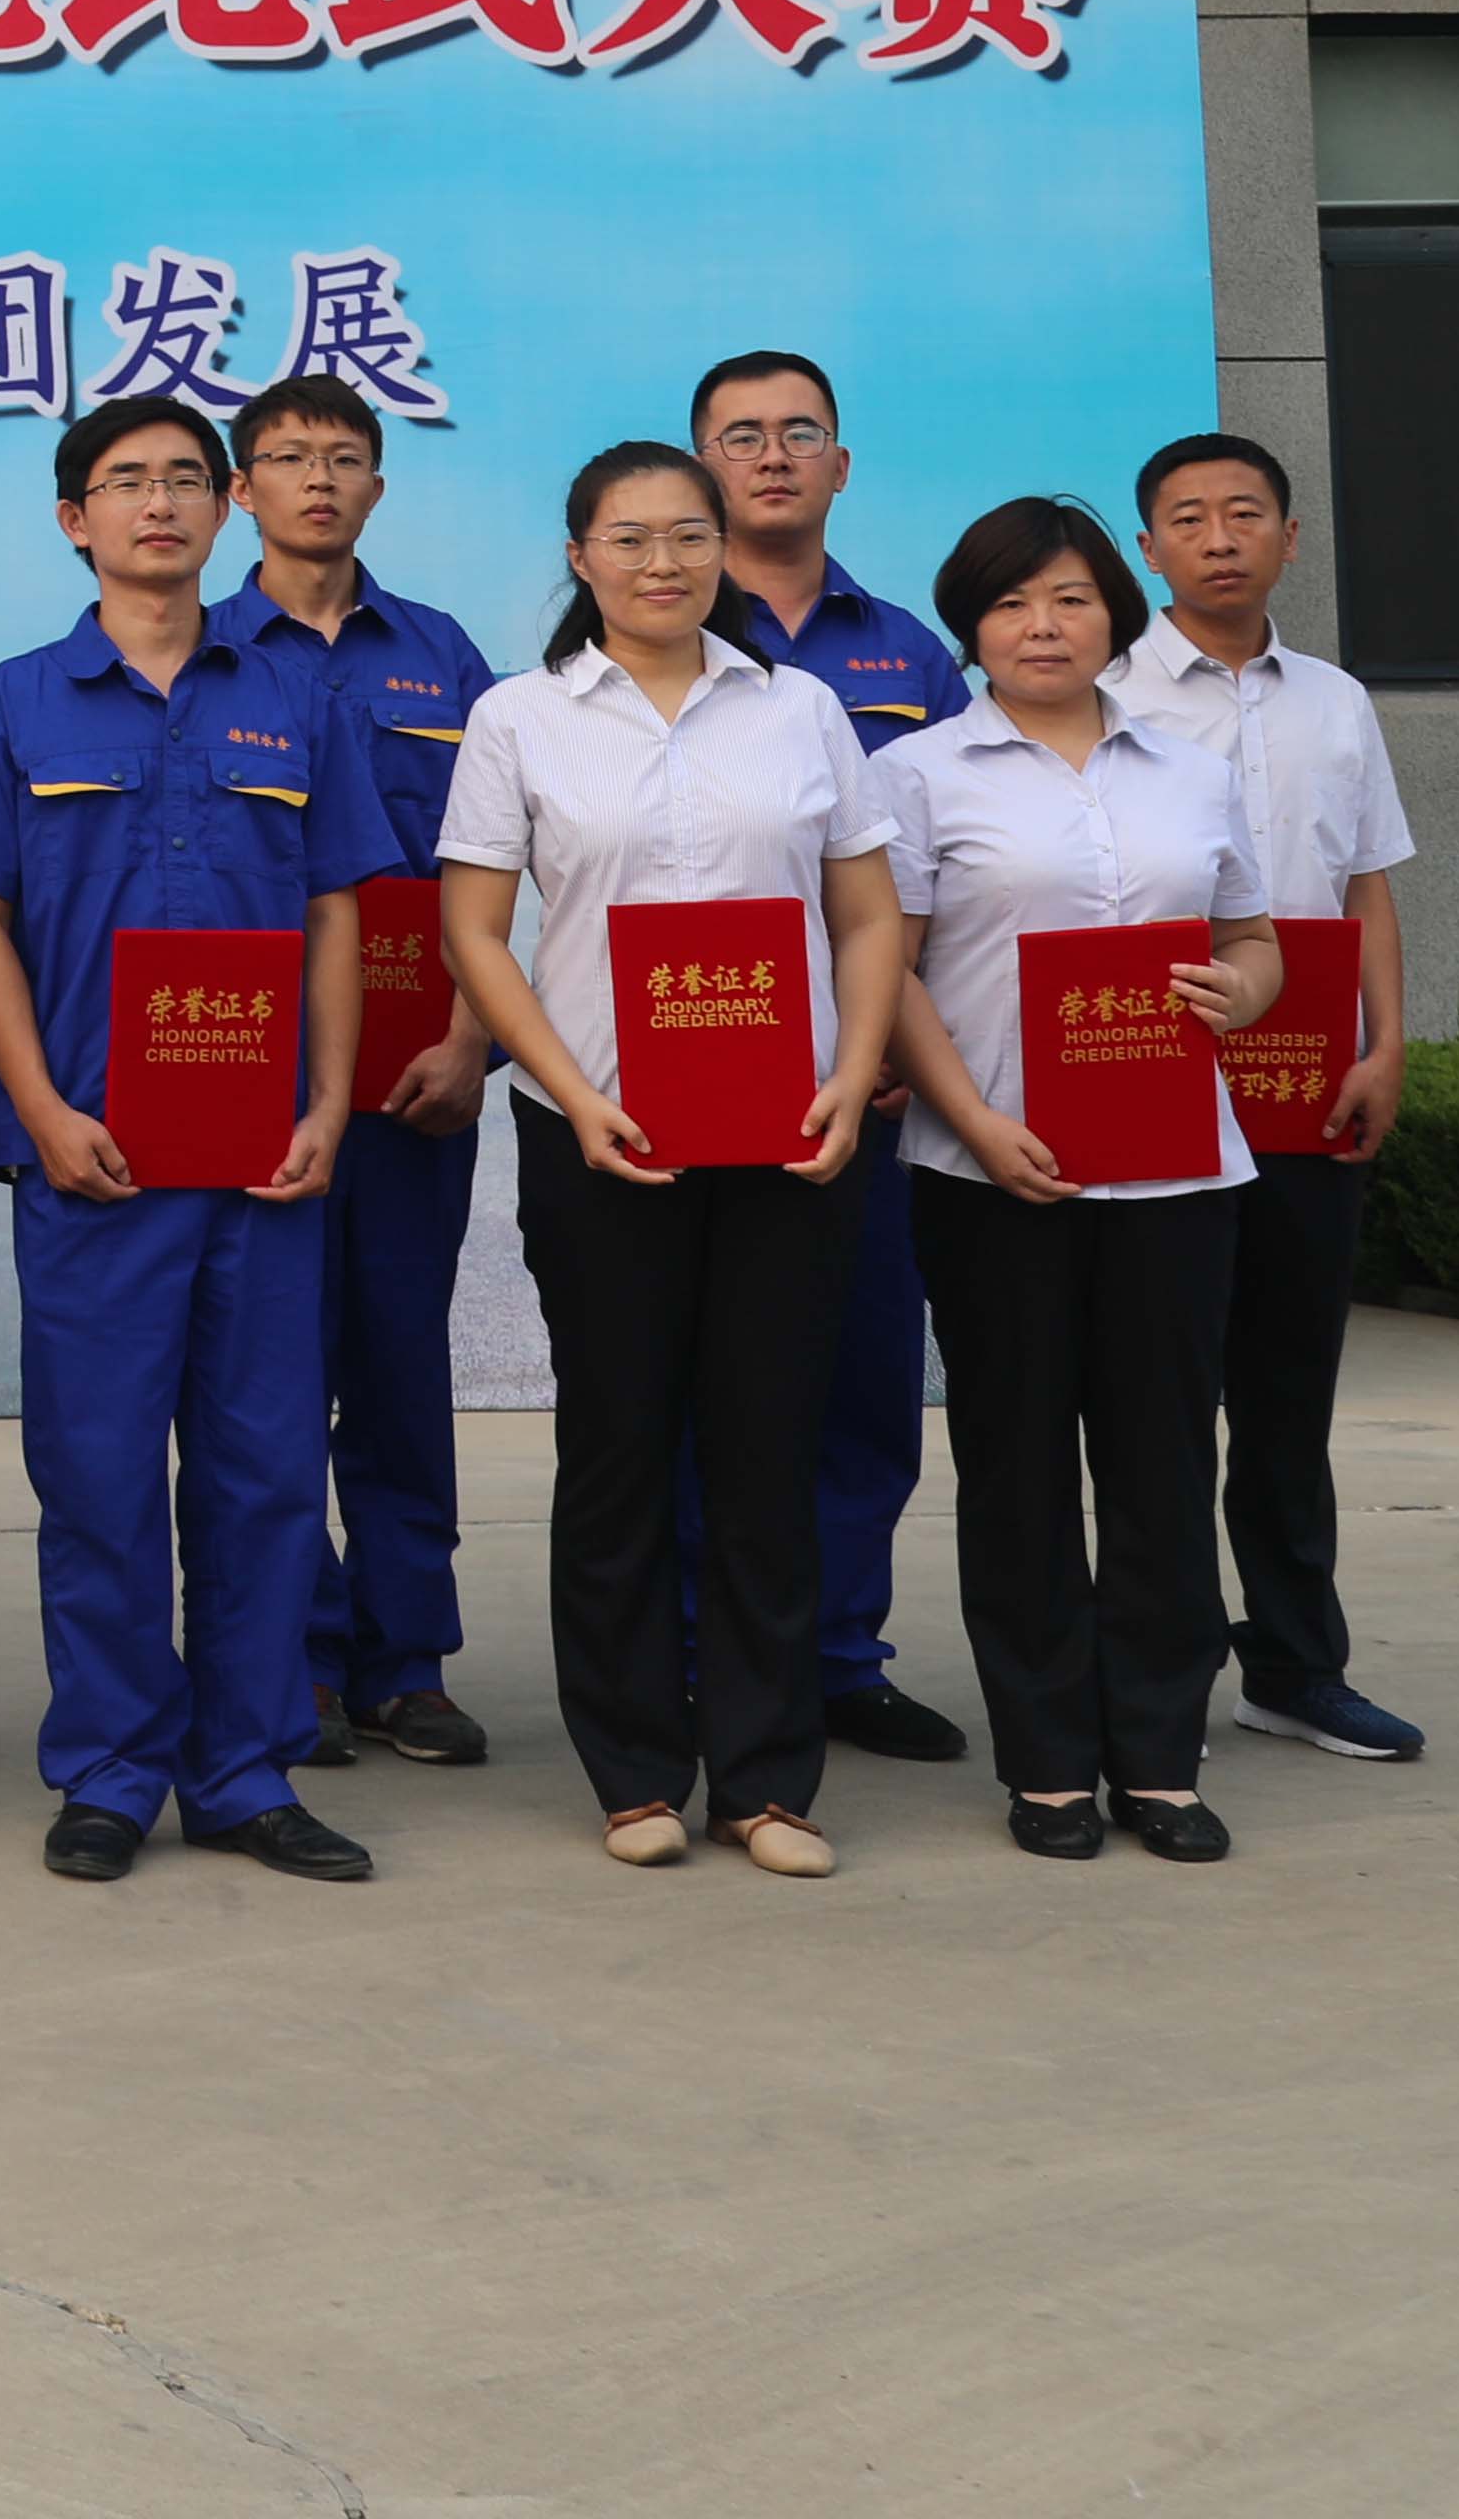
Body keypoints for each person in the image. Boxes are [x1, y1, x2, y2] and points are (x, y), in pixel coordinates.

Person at [0, 397, 389, 1889]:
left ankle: (244, 1772)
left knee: (261, 1475)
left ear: (225, 508)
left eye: (186, 479)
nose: (159, 504)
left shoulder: (295, 703)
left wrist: (327, 1105)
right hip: (94, 1161)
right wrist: (39, 1108)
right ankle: (111, 1769)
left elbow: (337, 910)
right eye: (127, 483)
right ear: (77, 520)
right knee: (101, 1475)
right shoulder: (13, 705)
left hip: (263, 1161)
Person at [430, 440, 906, 1881]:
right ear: (580, 558)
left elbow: (868, 915)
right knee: (619, 1446)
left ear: (721, 550)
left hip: (785, 1133)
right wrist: (572, 1092)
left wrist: (852, 1072)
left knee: (767, 1450)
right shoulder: (520, 718)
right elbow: (474, 933)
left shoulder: (800, 709)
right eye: (629, 539)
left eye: (689, 536)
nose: (662, 563)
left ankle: (767, 1781)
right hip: (599, 1134)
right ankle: (635, 1769)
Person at [887, 496, 1282, 1866]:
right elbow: (889, 972)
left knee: (1166, 1461)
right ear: (970, 628)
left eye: (1068, 599)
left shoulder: (1188, 769)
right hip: (991, 1171)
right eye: (1009, 605)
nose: (1041, 627)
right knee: (1016, 1468)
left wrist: (1243, 992)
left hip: (1176, 1170)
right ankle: (1049, 1758)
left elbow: (1253, 937)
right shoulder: (920, 774)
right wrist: (973, 1122)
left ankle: (1160, 1754)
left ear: (1116, 612)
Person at [1121, 431, 1429, 1771]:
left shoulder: (1337, 704)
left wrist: (1387, 1044)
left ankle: (1298, 1667)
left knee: (1289, 1392)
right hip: (1156, 1077)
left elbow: (1365, 884)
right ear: (1149, 550)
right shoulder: (1109, 690)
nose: (1220, 537)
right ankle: (1162, 1671)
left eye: (1246, 513)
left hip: (1309, 1084)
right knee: (1161, 1394)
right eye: (1189, 518)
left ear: (1290, 539)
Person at [218, 374, 504, 1776]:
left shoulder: (445, 659)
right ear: (242, 490)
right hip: (246, 1074)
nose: (318, 479)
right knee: (269, 1373)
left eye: (345, 458)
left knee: (398, 1363)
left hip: (416, 1076)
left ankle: (407, 1661)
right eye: (288, 458)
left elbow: (506, 866)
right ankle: (298, 1659)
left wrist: (473, 1039)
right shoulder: (203, 652)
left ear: (379, 487)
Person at [698, 350, 972, 1770]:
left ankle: (841, 1656)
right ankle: (704, 1653)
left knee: (864, 1377)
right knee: (706, 1382)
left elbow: (954, 868)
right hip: (695, 1069)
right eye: (741, 436)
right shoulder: (657, 627)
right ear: (700, 469)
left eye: (800, 432)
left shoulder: (911, 656)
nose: (773, 456)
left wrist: (894, 1047)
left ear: (842, 464)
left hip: (872, 1081)